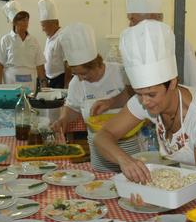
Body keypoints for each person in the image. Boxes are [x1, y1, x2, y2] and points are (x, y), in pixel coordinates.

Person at [94, 20, 196, 203]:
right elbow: (103, 136)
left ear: (173, 83)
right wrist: (124, 160)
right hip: (184, 189)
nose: (144, 102)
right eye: (139, 94)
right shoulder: (145, 101)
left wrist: (159, 198)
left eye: (151, 94)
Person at [51, 23, 135, 172]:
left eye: (84, 74)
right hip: (99, 153)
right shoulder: (76, 83)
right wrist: (63, 119)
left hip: (130, 149)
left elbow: (134, 97)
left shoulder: (120, 72)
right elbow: (72, 108)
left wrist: (111, 102)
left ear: (96, 64)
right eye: (76, 74)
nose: (81, 79)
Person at [124, 0, 196, 90]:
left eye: (132, 19)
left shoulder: (177, 41)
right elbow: (131, 90)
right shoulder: (133, 44)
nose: (130, 25)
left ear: (151, 17)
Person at [0, 0, 47, 90]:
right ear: (14, 23)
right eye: (22, 20)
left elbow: (40, 64)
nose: (26, 23)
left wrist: (44, 84)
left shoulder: (33, 40)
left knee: (28, 102)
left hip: (30, 82)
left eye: (27, 20)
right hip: (11, 83)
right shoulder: (6, 40)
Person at [38, 0, 71, 88]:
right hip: (50, 79)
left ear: (53, 23)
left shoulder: (63, 37)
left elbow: (68, 64)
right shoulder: (49, 38)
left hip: (60, 79)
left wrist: (66, 84)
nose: (42, 29)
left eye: (43, 25)